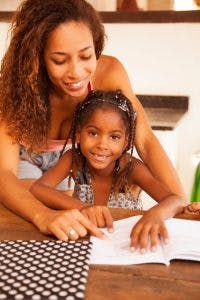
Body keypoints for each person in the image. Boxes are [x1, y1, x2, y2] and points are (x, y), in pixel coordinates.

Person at [0, 0, 189, 241]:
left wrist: (180, 204)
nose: (76, 72)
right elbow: (4, 175)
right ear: (38, 56)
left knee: (69, 226)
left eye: (86, 56)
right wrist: (42, 215)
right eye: (59, 60)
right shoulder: (18, 86)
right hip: (24, 161)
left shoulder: (109, 72)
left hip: (72, 161)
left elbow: (146, 141)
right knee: (27, 218)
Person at [30, 90, 186, 252]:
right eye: (93, 133)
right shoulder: (74, 159)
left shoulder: (132, 168)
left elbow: (176, 200)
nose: (102, 144)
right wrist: (82, 208)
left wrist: (154, 215)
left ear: (126, 142)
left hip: (126, 245)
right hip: (84, 241)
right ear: (78, 134)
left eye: (114, 137)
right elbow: (38, 188)